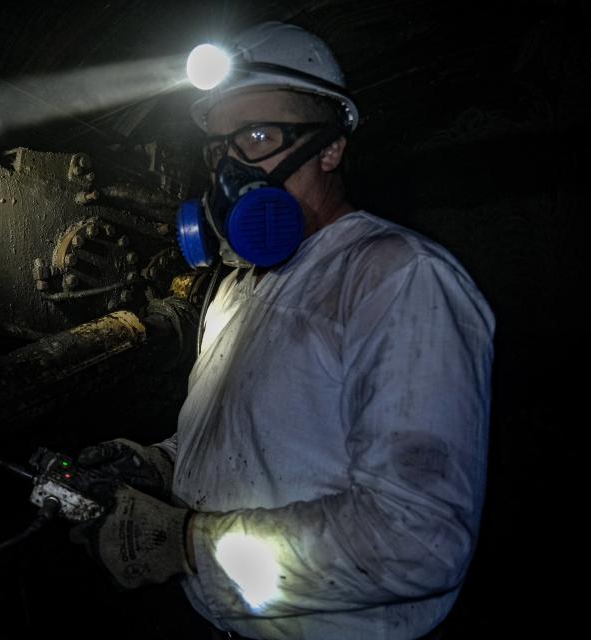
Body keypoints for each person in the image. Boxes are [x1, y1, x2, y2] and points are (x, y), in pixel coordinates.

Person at [70, 21, 494, 640]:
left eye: (259, 137)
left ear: (331, 148)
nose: (232, 170)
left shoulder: (399, 278)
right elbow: (245, 439)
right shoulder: (244, 286)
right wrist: (159, 464)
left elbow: (415, 539)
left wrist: (189, 545)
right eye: (219, 149)